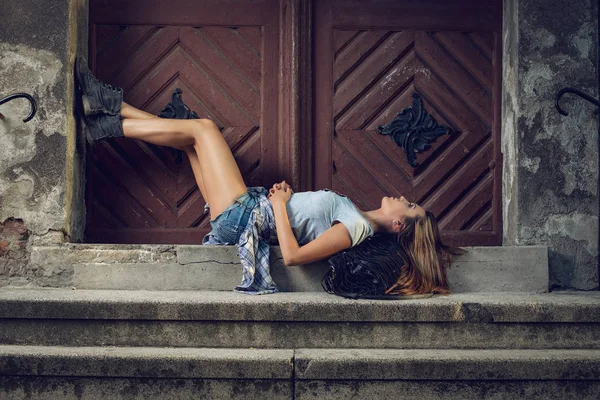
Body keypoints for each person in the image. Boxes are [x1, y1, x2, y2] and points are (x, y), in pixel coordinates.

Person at [75, 57, 459, 295]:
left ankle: (105, 124)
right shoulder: (355, 216)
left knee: (202, 129)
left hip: (246, 214)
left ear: (397, 224)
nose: (402, 197)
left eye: (408, 206)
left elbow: (292, 257)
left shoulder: (358, 227)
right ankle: (105, 107)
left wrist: (277, 204)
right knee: (189, 141)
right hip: (248, 208)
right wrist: (284, 198)